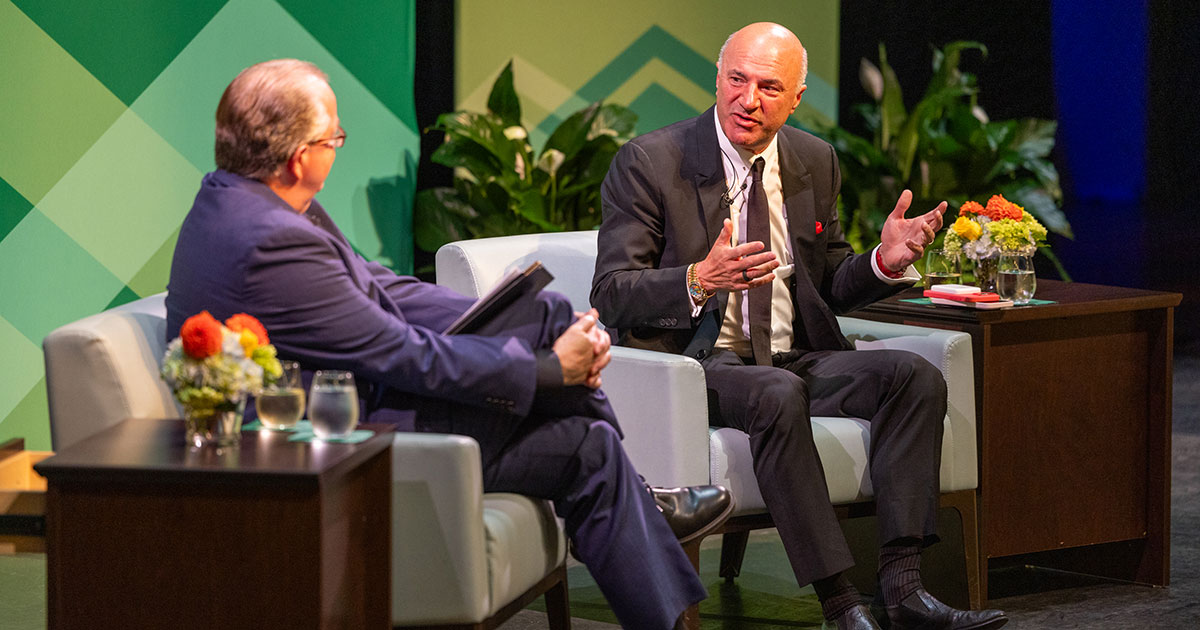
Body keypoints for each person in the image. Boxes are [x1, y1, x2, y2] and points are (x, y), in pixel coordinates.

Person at [165, 59, 733, 630]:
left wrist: (507, 313)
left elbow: (382, 288)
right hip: (342, 440)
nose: (337, 148)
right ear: (298, 157)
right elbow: (400, 353)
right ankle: (647, 511)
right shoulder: (272, 240)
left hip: (367, 402)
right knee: (581, 434)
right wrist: (546, 370)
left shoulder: (249, 199)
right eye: (335, 137)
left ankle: (642, 510)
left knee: (554, 345)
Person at [592, 23, 1008, 630]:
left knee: (911, 376)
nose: (748, 99)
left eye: (768, 86)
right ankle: (841, 605)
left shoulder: (813, 159)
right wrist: (698, 279)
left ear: (796, 97)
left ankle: (903, 591)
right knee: (776, 392)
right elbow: (611, 294)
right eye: (736, 80)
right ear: (717, 79)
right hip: (699, 363)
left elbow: (829, 280)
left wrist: (883, 262)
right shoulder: (653, 163)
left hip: (793, 355)